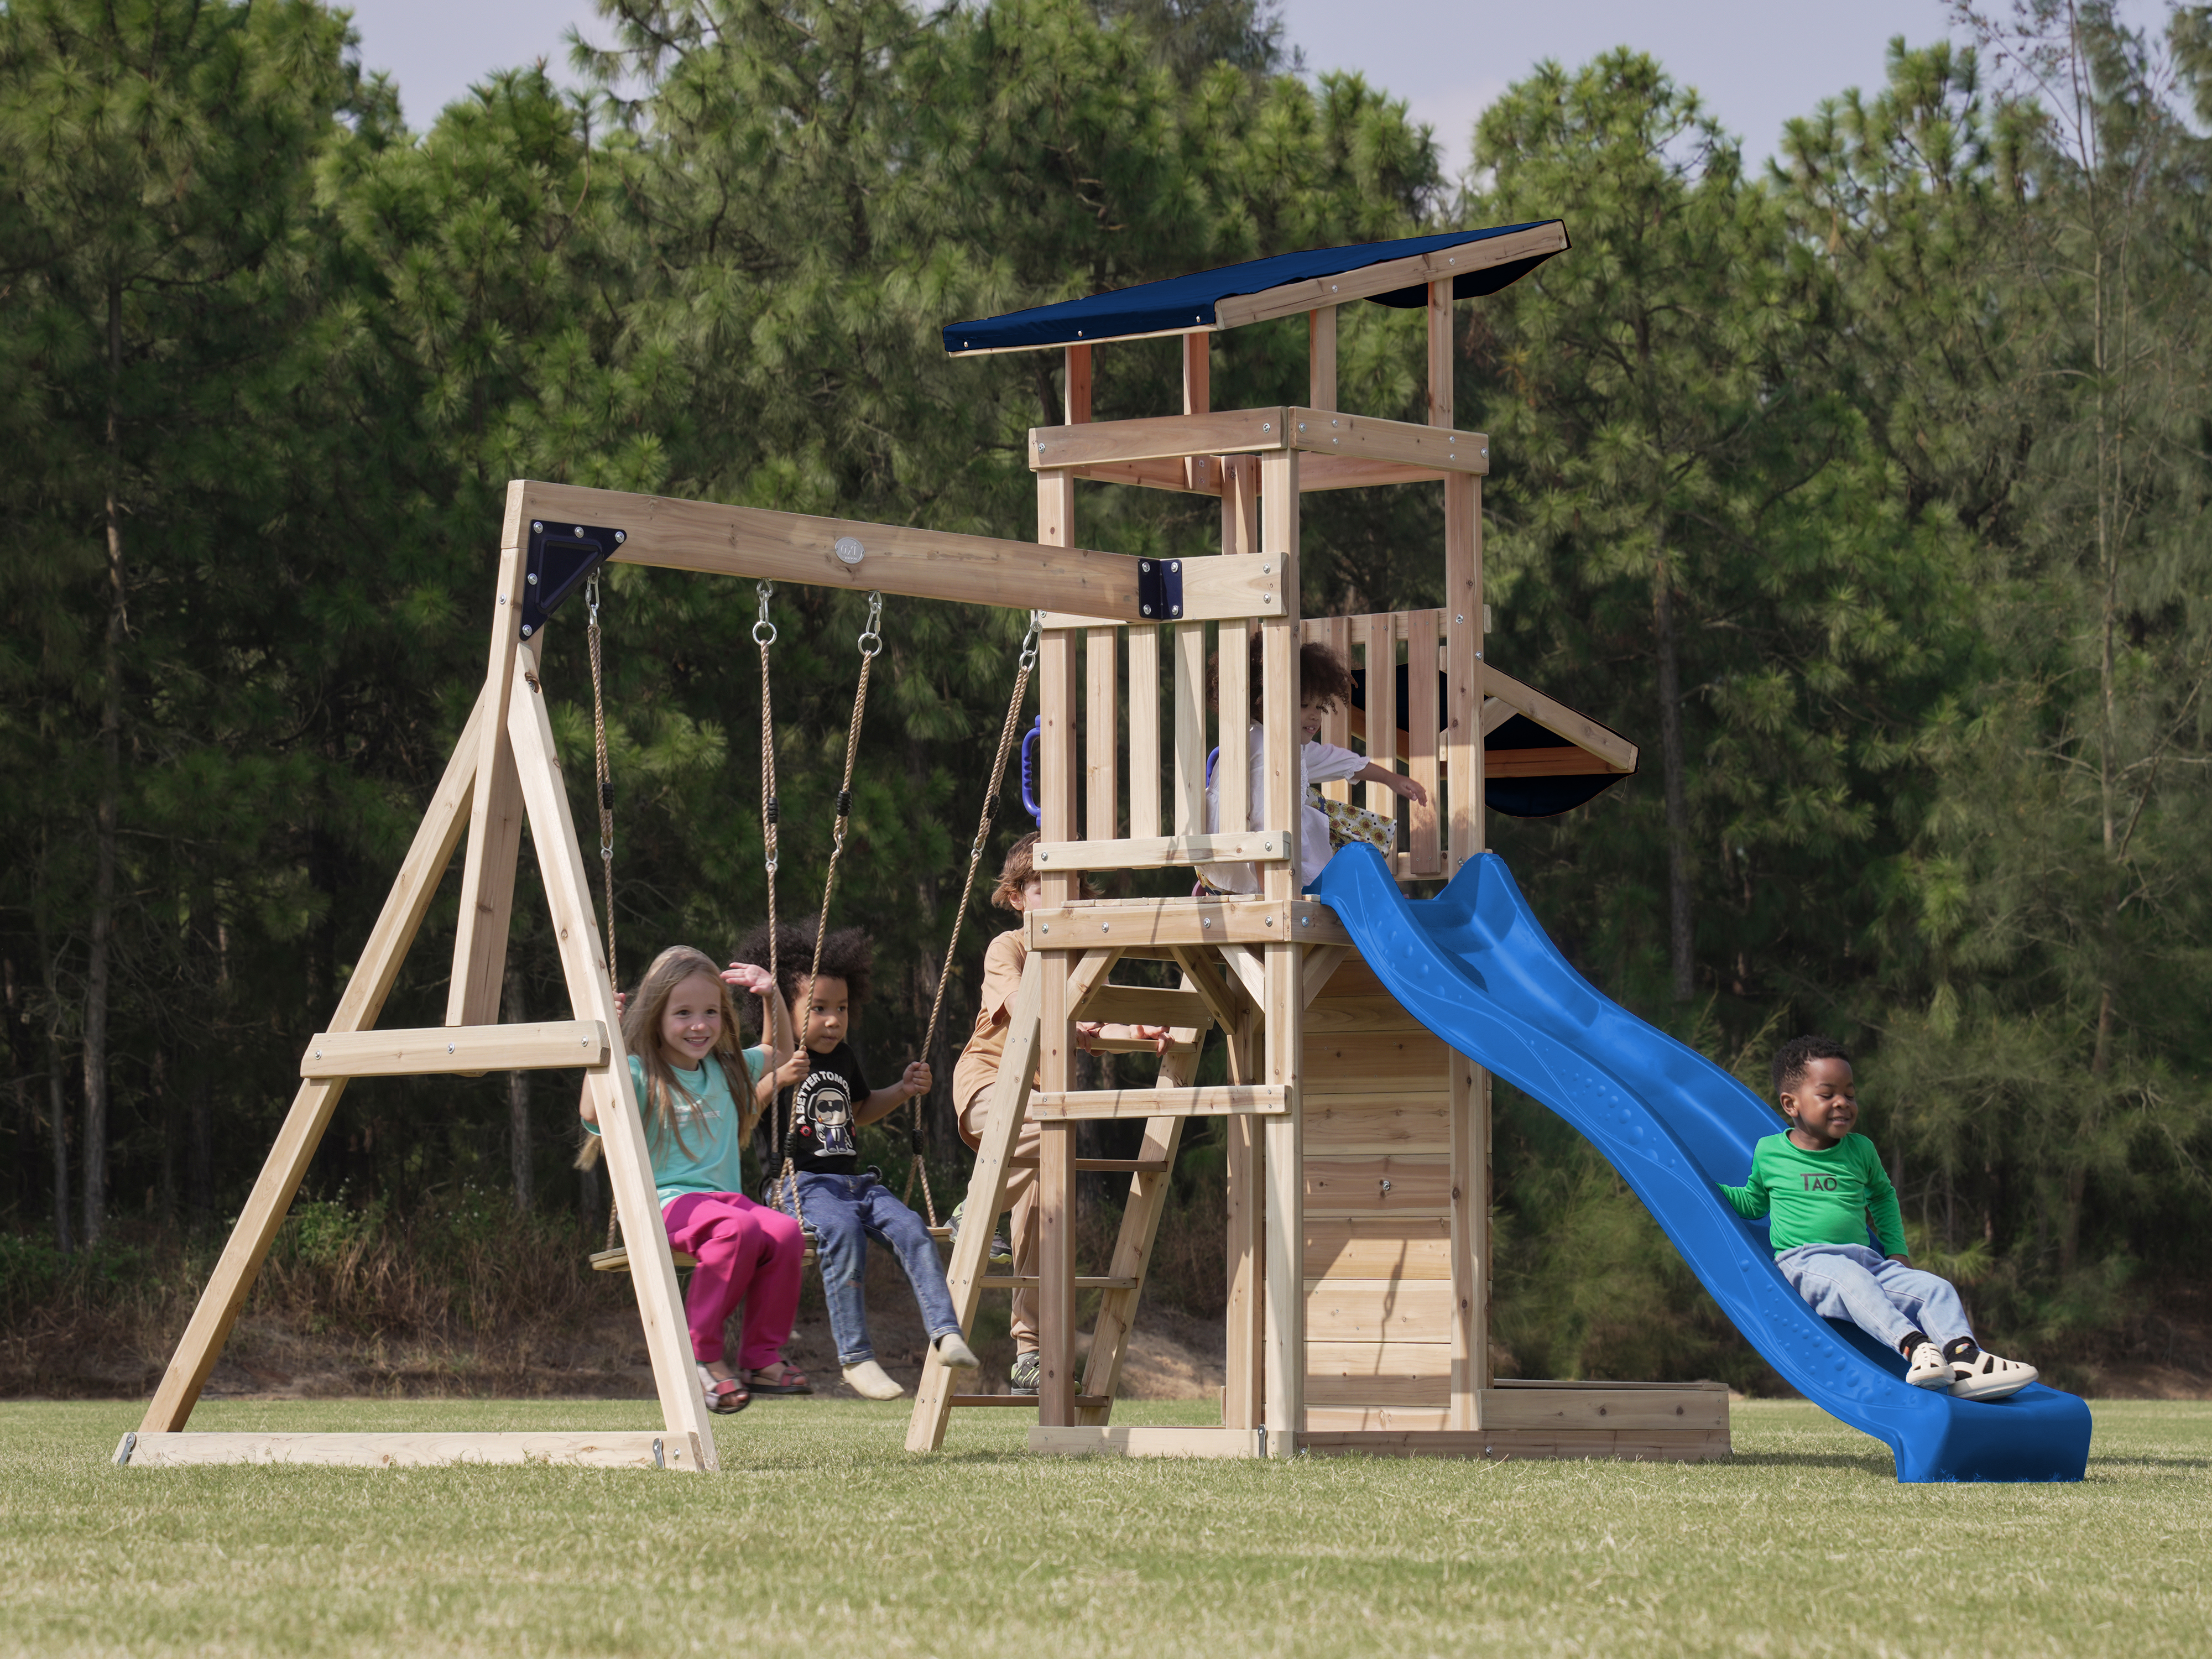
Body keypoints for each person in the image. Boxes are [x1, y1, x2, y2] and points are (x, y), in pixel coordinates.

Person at [949, 833, 1170, 1394]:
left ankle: (1032, 1351)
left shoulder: (1078, 963)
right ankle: (977, 1205)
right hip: (990, 1089)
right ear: (1017, 897)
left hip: (1043, 1109)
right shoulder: (1010, 948)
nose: (1053, 897)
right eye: (1039, 886)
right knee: (1046, 1132)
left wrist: (1140, 1034)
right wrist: (1076, 1022)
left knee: (1043, 1214)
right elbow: (1026, 1005)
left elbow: (1095, 1029)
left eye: (1065, 887)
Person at [737, 920, 982, 1401]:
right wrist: (781, 1078)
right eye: (819, 1009)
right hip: (799, 1185)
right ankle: (855, 1358)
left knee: (911, 1227)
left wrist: (902, 1089)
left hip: (854, 1183)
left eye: (842, 1009)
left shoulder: (843, 1058)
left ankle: (946, 1332)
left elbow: (862, 1110)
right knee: (845, 1237)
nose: (833, 1020)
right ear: (788, 1013)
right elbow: (748, 1112)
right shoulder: (779, 1058)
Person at [1720, 1035, 2037, 1401]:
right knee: (1851, 1279)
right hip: (1805, 1262)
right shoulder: (1770, 1151)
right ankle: (1916, 1348)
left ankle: (1964, 1358)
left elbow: (1883, 1198)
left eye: (1850, 1094)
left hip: (1865, 1260)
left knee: (1935, 1289)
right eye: (1828, 1095)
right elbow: (1753, 1204)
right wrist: (1707, 1187)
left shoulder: (1861, 1150)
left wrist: (1897, 1252)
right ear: (1791, 1104)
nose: (1843, 1103)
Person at [581, 944, 811, 1416]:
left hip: (722, 1203)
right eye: (683, 1013)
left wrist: (771, 1000)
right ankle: (700, 1353)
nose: (699, 1025)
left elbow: (781, 1051)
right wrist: (604, 1030)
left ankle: (761, 1357)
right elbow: (591, 1110)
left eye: (710, 1012)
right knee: (738, 1228)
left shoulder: (725, 1071)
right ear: (656, 1015)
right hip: (662, 1205)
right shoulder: (639, 1072)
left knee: (786, 1233)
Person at [1198, 633, 1428, 895]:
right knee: (1314, 809)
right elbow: (1263, 828)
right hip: (1242, 865)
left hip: (1233, 861)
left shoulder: (1283, 744)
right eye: (1304, 705)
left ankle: (1365, 891)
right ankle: (1362, 892)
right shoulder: (1265, 751)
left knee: (1313, 806)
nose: (1314, 716)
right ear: (1264, 702)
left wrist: (1391, 779)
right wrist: (1272, 897)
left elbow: (1336, 759)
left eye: (1319, 706)